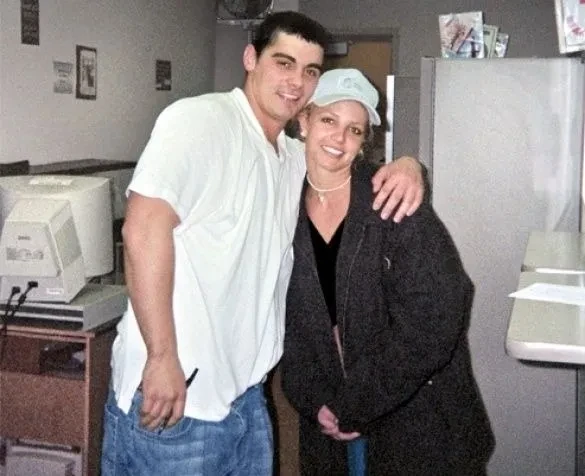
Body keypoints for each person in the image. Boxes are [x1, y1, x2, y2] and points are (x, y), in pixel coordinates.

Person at [100, 12, 425, 476]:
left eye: (310, 71)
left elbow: (344, 159)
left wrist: (410, 165)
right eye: (283, 63)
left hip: (247, 401)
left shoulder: (290, 157)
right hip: (178, 399)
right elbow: (141, 231)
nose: (296, 82)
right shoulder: (201, 122)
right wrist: (161, 357)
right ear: (251, 58)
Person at [280, 68, 495, 475]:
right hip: (328, 413)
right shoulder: (281, 203)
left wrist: (359, 401)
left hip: (414, 413)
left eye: (354, 130)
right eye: (328, 120)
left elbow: (438, 314)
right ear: (304, 121)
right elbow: (286, 321)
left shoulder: (392, 200)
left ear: (364, 142)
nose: (339, 138)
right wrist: (313, 399)